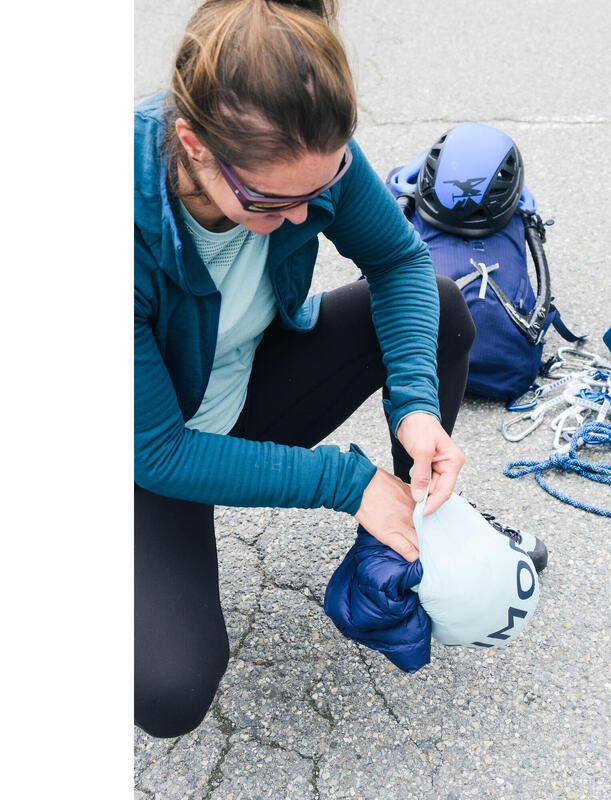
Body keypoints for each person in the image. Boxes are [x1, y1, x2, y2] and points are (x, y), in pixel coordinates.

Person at [135, 0, 475, 738]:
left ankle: (402, 548)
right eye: (269, 202)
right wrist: (346, 482)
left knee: (443, 309)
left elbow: (400, 262)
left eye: (319, 192)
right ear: (192, 145)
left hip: (242, 387)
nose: (300, 217)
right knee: (169, 691)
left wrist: (415, 403)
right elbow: (155, 451)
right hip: (145, 451)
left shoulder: (307, 162)